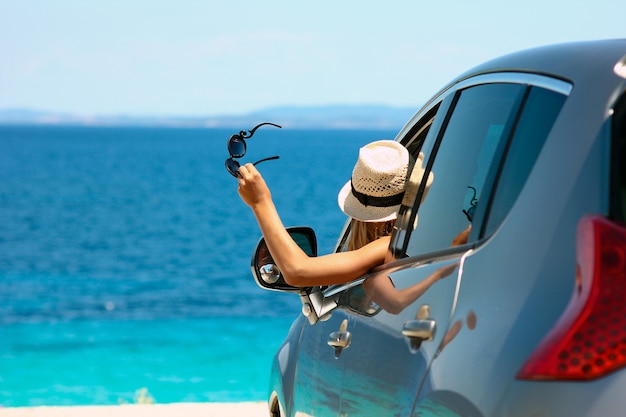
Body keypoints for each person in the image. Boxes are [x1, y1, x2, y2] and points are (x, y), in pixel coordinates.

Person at [237, 140, 413, 287]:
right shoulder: (420, 238)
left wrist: (261, 203)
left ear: (371, 220)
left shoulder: (391, 245)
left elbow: (297, 271)